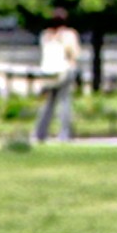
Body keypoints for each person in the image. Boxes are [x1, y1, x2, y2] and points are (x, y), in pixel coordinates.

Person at [32, 9, 81, 143]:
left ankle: (40, 133)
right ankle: (65, 134)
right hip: (64, 71)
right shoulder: (68, 35)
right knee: (65, 102)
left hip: (48, 73)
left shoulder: (45, 35)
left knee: (48, 104)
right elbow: (74, 53)